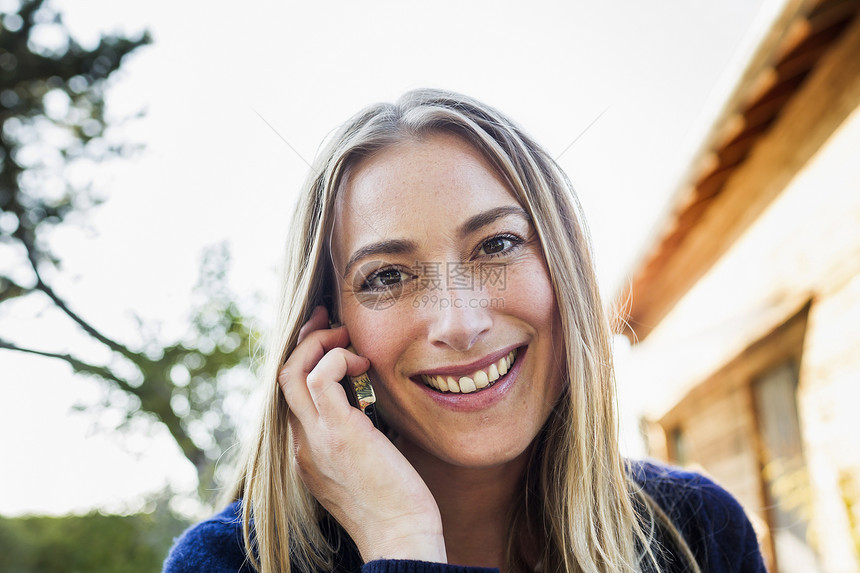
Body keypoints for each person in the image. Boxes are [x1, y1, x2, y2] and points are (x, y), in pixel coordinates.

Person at [163, 89, 766, 573]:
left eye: (497, 245)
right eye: (388, 276)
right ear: (329, 332)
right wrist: (402, 542)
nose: (460, 323)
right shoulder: (227, 563)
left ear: (566, 269)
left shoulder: (696, 533)